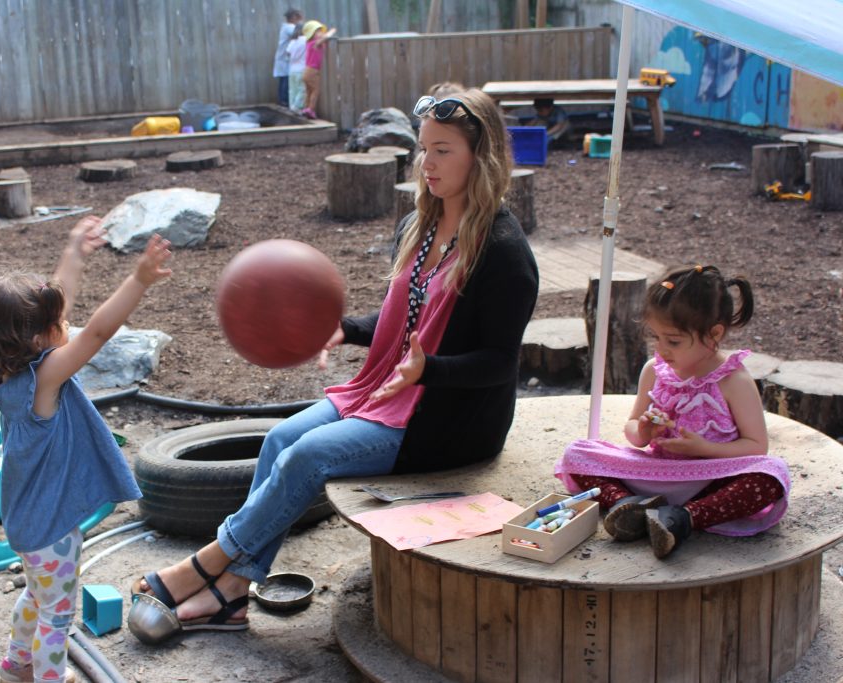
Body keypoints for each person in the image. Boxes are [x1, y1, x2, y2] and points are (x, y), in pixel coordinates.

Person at [131, 88, 538, 638]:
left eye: (442, 151)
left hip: (450, 423)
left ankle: (203, 567)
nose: (427, 164)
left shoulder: (505, 253)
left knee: (308, 455)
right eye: (423, 149)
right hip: (392, 392)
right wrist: (347, 329)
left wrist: (429, 373)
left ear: (479, 157)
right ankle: (231, 594)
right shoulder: (420, 224)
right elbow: (411, 316)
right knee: (279, 441)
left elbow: (497, 361)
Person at [0, 217, 172, 683]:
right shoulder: (45, 379)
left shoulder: (12, 376)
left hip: (27, 524)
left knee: (37, 598)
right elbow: (97, 334)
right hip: (51, 531)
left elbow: (56, 303)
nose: (68, 321)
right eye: (58, 321)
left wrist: (75, 253)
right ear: (40, 339)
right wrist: (137, 281)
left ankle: (14, 666)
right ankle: (48, 677)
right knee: (57, 617)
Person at [555, 265, 790, 559]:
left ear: (713, 333)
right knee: (577, 453)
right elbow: (632, 431)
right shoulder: (655, 371)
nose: (662, 349)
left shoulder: (733, 380)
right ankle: (630, 506)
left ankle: (685, 517)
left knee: (772, 474)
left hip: (711, 479)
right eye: (656, 338)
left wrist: (704, 448)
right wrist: (642, 430)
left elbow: (757, 446)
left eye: (674, 341)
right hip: (655, 472)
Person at [300, 20, 336, 119]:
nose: (321, 33)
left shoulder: (310, 43)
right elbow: (325, 38)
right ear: (311, 34)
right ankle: (310, 109)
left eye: (321, 31)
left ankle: (305, 109)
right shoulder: (314, 43)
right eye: (318, 32)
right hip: (312, 71)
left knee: (309, 91)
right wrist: (331, 32)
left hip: (307, 71)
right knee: (316, 90)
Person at [273, 9, 303, 107]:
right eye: (298, 17)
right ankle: (284, 101)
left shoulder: (285, 27)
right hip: (286, 57)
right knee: (286, 79)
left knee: (283, 79)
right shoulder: (289, 27)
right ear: (294, 17)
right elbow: (300, 33)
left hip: (284, 57)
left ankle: (282, 100)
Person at [286, 24, 307, 113]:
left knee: (292, 90)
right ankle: (297, 107)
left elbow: (287, 54)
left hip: (292, 70)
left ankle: (292, 107)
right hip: (302, 69)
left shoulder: (293, 42)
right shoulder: (305, 40)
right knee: (302, 90)